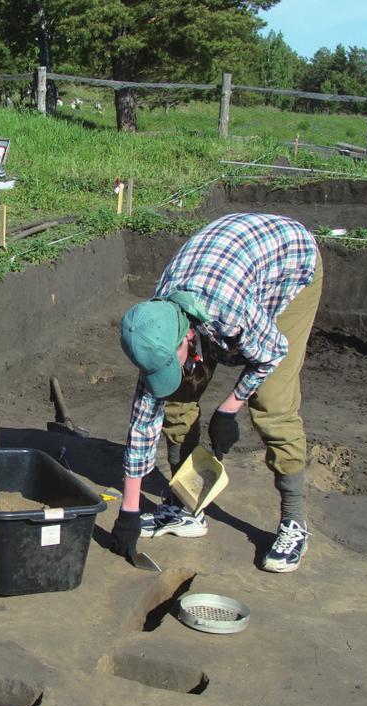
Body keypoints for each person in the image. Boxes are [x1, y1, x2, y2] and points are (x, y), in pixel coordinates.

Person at [110, 213, 323, 573]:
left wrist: (230, 406)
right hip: (231, 269)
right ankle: (188, 505)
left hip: (290, 265)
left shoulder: (227, 312)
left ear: (188, 337)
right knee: (176, 399)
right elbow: (143, 424)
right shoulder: (154, 327)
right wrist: (128, 512)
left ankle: (295, 521)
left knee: (271, 402)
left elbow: (271, 353)